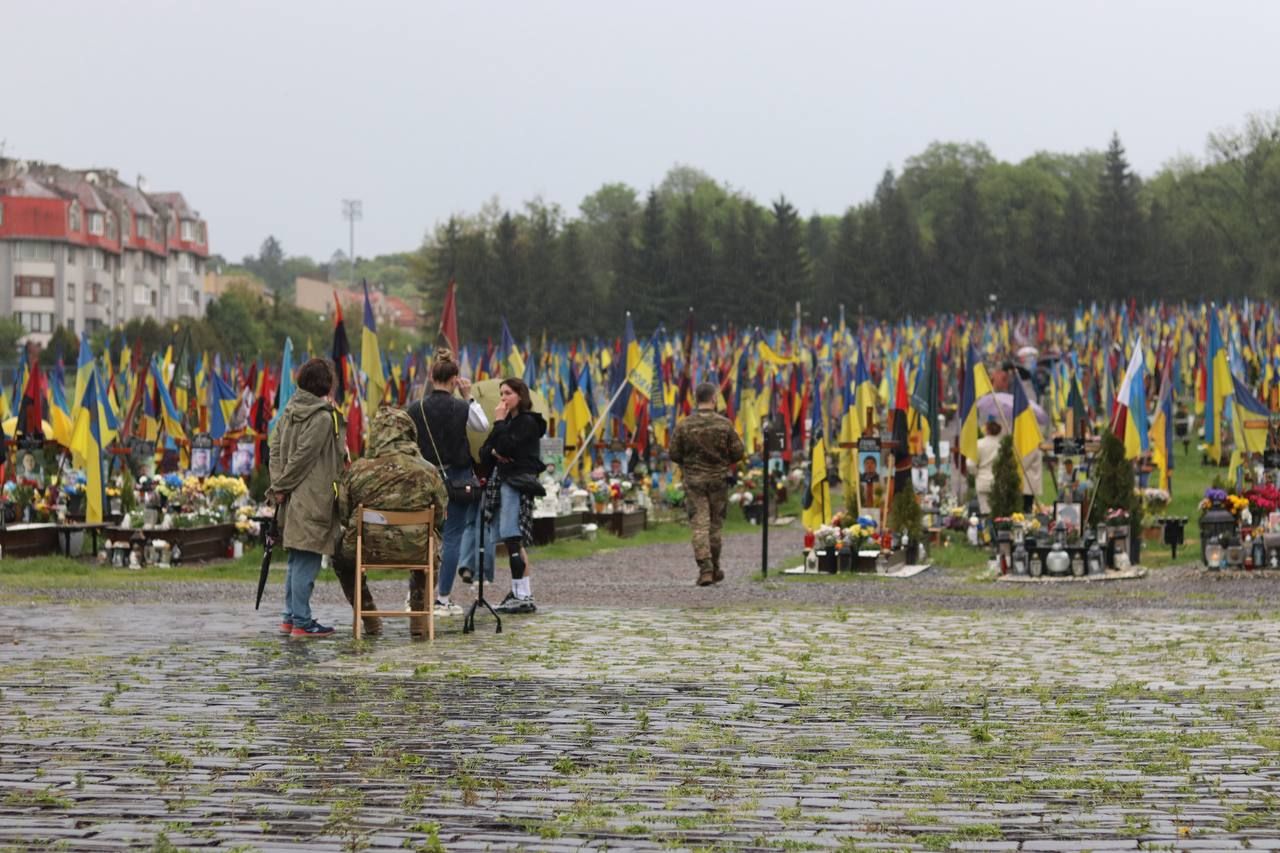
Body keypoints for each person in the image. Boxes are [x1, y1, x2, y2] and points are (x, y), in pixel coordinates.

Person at [335, 407, 448, 638]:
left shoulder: (358, 470)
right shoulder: (429, 471)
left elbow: (343, 513)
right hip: (416, 548)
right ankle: (418, 618)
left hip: (368, 548)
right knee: (431, 551)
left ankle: (369, 617)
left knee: (340, 557)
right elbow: (440, 517)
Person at [407, 348, 489, 616]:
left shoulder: (415, 408)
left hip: (424, 478)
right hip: (457, 477)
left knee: (422, 537)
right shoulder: (462, 406)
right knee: (452, 537)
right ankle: (442, 597)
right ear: (455, 379)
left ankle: (415, 596)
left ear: (431, 376)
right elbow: (482, 426)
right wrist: (469, 396)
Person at [268, 358, 345, 638]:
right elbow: (305, 456)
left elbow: (274, 448)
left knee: (295, 560)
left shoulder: (290, 409)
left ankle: (290, 617)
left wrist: (279, 485)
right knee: (307, 560)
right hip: (312, 497)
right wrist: (283, 484)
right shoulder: (323, 417)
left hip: (290, 496)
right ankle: (302, 622)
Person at [479, 378, 546, 614]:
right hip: (503, 481)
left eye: (507, 393)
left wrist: (499, 427)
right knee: (510, 539)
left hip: (517, 482)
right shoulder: (507, 422)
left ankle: (521, 594)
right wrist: (497, 448)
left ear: (520, 395)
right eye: (501, 394)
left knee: (512, 535)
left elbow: (507, 446)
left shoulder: (527, 422)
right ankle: (522, 592)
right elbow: (485, 452)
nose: (503, 398)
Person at [669, 382, 745, 586]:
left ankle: (706, 569)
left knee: (699, 527)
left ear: (696, 399)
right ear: (714, 399)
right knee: (715, 527)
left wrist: (691, 462)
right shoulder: (724, 424)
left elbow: (674, 453)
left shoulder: (684, 425)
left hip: (694, 482)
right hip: (718, 481)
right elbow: (738, 452)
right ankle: (715, 566)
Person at [975, 419, 1002, 515]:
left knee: (985, 511)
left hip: (982, 478)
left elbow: (970, 463)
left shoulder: (979, 444)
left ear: (987, 429)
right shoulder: (1001, 445)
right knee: (997, 512)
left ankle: (987, 529)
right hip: (997, 481)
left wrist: (976, 473)